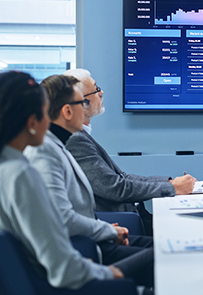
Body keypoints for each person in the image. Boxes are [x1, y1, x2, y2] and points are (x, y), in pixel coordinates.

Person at [24, 74, 154, 290]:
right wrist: (108, 232)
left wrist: (103, 228)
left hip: (90, 241)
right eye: (82, 103)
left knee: (164, 249)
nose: (86, 109)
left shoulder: (58, 146)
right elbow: (63, 217)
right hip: (85, 250)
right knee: (166, 255)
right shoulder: (46, 153)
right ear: (67, 111)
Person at [0, 71, 124, 291]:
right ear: (32, 121)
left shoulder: (8, 168)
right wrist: (105, 272)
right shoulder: (22, 174)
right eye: (45, 113)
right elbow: (63, 269)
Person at [63, 68, 196, 235]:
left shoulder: (82, 135)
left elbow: (122, 177)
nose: (101, 92)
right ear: (82, 103)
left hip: (128, 217)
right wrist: (171, 187)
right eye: (96, 89)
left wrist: (169, 182)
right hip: (119, 223)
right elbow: (114, 187)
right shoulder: (75, 139)